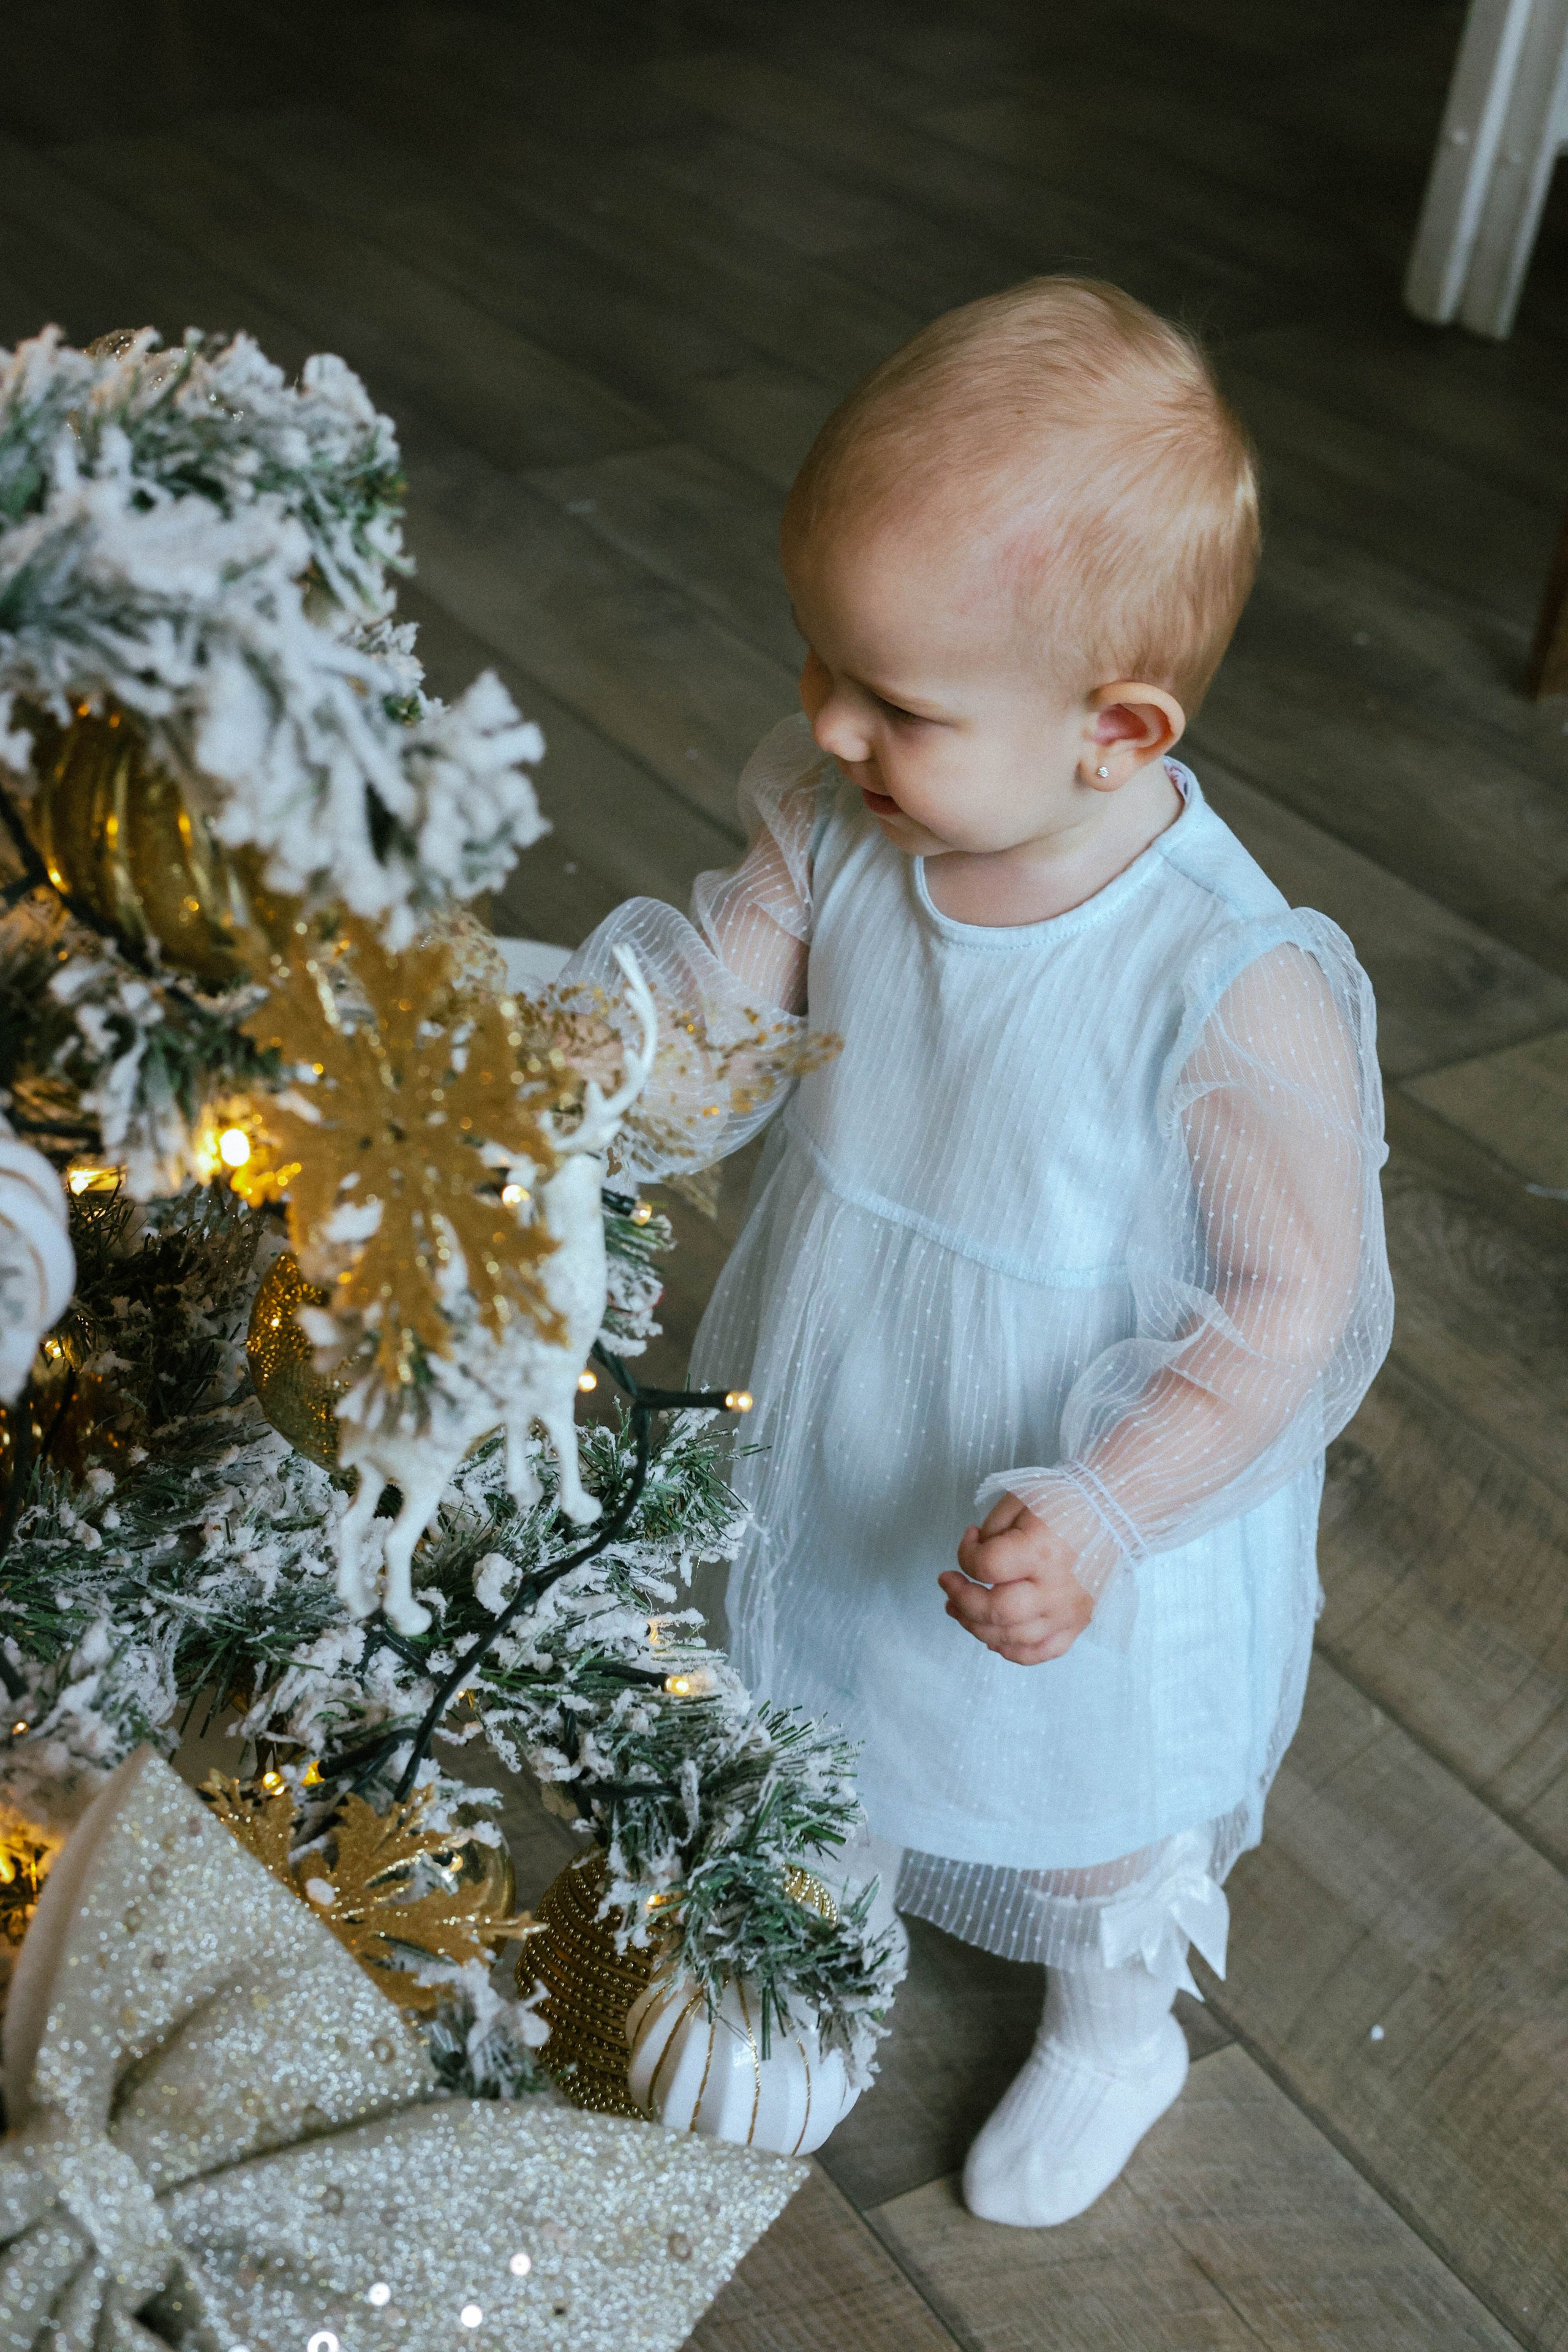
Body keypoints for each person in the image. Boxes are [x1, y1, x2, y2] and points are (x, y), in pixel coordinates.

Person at [564, 277, 1393, 2226]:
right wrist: (589, 1066)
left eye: (901, 705)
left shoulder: (1224, 979)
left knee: (1075, 1784)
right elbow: (709, 1028)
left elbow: (1289, 1309)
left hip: (1065, 1463)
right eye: (821, 661)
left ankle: (1116, 2023)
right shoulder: (842, 822)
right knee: (818, 1668)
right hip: (846, 1373)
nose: (829, 720)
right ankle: (825, 1902)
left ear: (1120, 732)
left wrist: (1105, 1509)